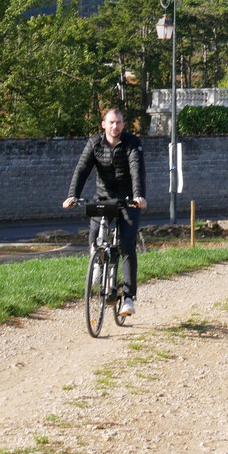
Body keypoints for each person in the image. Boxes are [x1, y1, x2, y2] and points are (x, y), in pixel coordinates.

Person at [63, 107, 147, 317]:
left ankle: (128, 297)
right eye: (111, 122)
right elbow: (82, 169)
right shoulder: (95, 143)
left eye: (118, 122)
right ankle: (97, 263)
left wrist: (139, 196)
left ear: (123, 125)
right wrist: (72, 195)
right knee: (94, 237)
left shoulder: (132, 143)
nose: (115, 126)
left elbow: (137, 169)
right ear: (103, 125)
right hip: (103, 198)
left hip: (128, 200)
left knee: (127, 246)